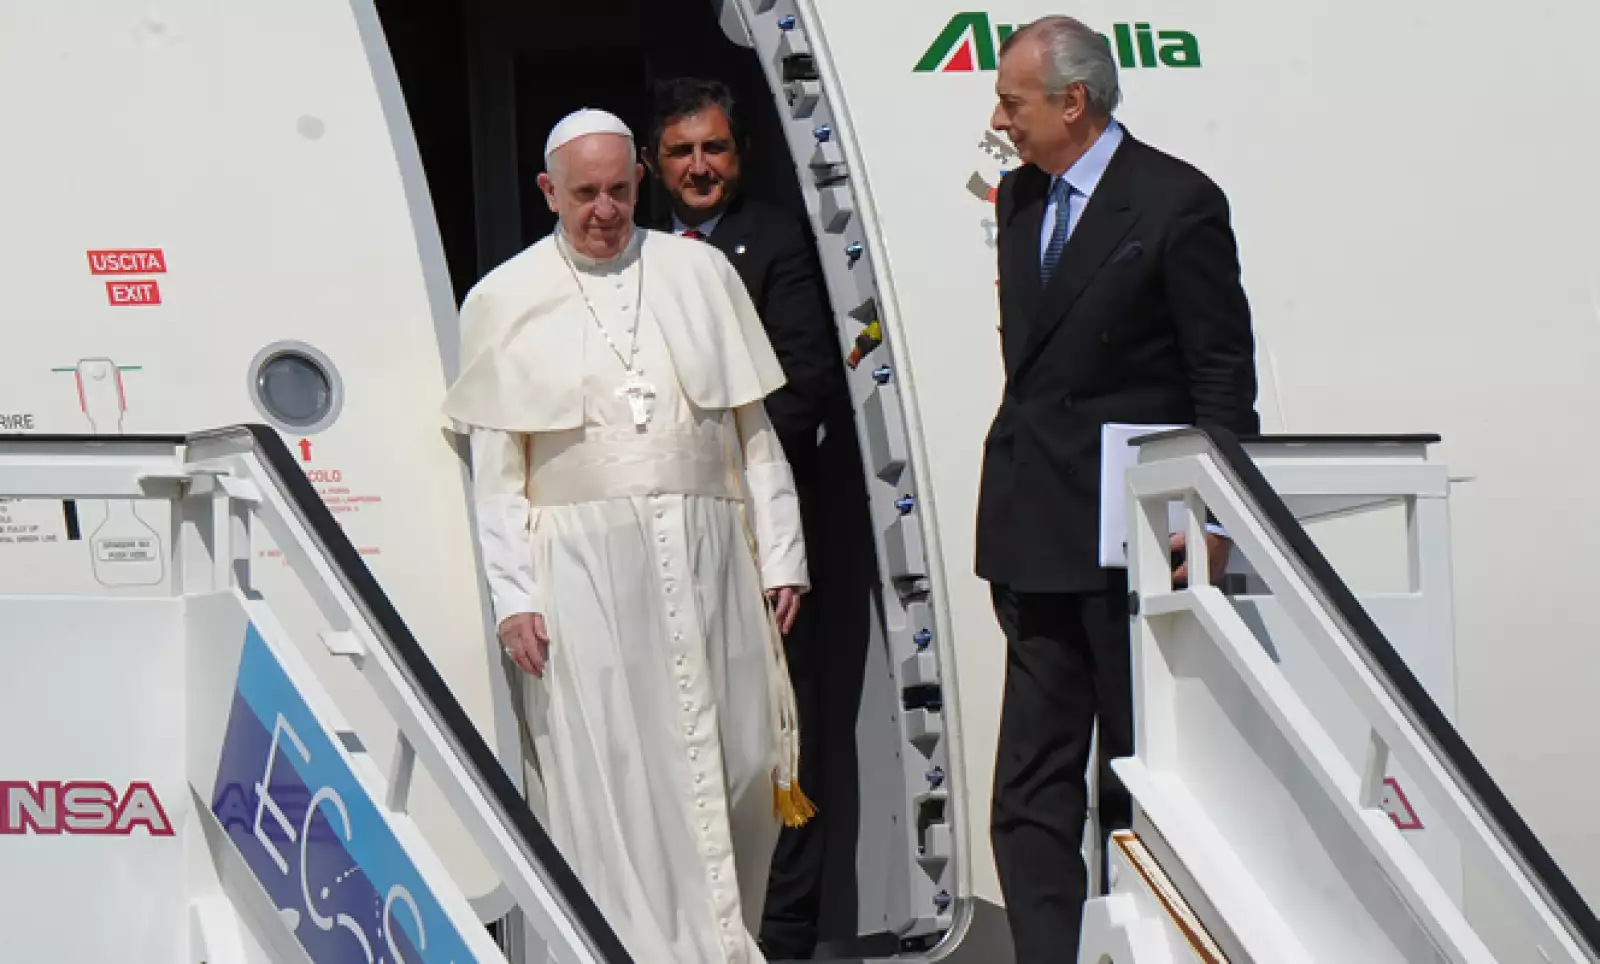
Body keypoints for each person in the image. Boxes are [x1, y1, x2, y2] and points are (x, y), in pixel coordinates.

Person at [442, 107, 815, 964]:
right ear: (548, 192)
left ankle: (725, 939)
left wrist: (782, 553)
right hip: (581, 565)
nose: (604, 211)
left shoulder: (700, 272)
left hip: (713, 554)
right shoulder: (504, 296)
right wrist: (514, 597)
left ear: (638, 180)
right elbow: (499, 471)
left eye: (617, 190)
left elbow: (752, 431)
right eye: (584, 195)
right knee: (613, 764)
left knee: (744, 756)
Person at [975, 16, 1259, 961]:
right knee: (1029, 787)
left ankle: (1143, 944)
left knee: (1135, 774)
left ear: (1073, 101)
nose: (1000, 120)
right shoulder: (1020, 200)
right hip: (1036, 530)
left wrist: (1213, 516)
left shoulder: (1176, 202)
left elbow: (1221, 376)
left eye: (1013, 102)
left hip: (1132, 537)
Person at [644, 76, 868, 961]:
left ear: (739, 156)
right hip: (656, 541)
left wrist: (705, 465)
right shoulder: (632, 253)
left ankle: (781, 937)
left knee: (780, 737)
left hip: (761, 534)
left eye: (715, 149)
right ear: (654, 166)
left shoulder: (773, 241)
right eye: (682, 152)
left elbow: (806, 381)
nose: (700, 167)